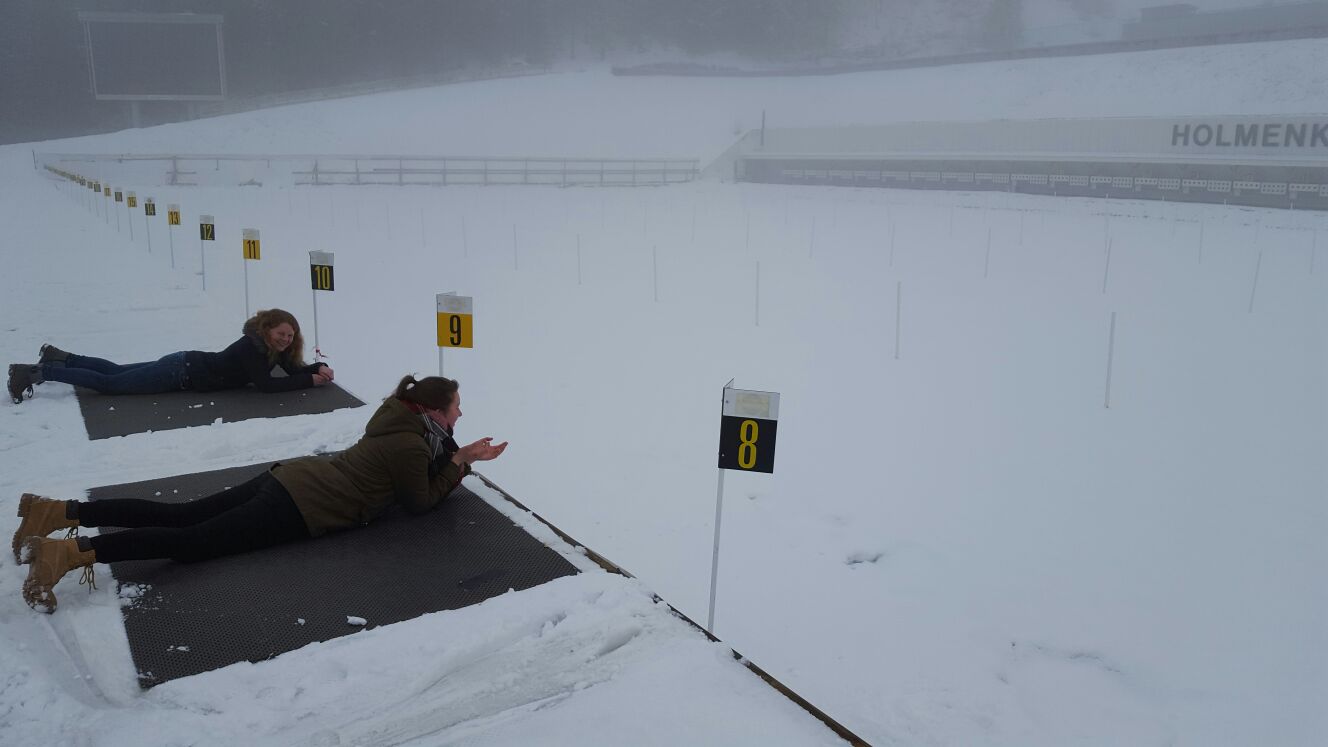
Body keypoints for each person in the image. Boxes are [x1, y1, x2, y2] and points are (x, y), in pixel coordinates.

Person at [15, 374, 507, 613]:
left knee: (182, 515)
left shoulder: (402, 420)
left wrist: (459, 457)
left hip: (293, 478)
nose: (461, 416)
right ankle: (67, 554)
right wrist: (461, 464)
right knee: (191, 543)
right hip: (304, 505)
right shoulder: (409, 441)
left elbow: (427, 462)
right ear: (433, 410)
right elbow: (419, 501)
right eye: (457, 408)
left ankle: (56, 512)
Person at [7, 308, 335, 405]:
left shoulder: (271, 350)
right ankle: (38, 372)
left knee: (116, 371)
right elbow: (266, 386)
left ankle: (59, 355)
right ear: (266, 329)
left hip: (183, 363)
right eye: (281, 334)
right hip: (180, 373)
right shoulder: (253, 346)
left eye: (290, 336)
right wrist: (309, 381)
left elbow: (295, 369)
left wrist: (317, 368)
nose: (285, 340)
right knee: (111, 384)